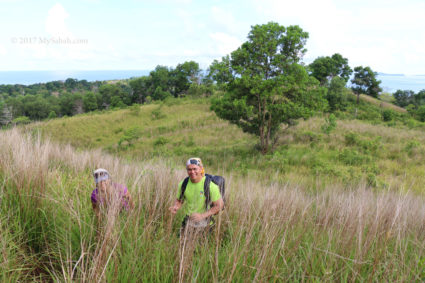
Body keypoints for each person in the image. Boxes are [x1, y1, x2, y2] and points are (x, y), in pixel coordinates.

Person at [169, 158, 224, 232]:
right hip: (188, 222)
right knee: (182, 243)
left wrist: (202, 216)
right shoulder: (183, 184)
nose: (192, 172)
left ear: (201, 169)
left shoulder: (210, 186)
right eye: (189, 169)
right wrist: (176, 206)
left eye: (195, 169)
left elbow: (219, 205)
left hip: (205, 224)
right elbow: (179, 200)